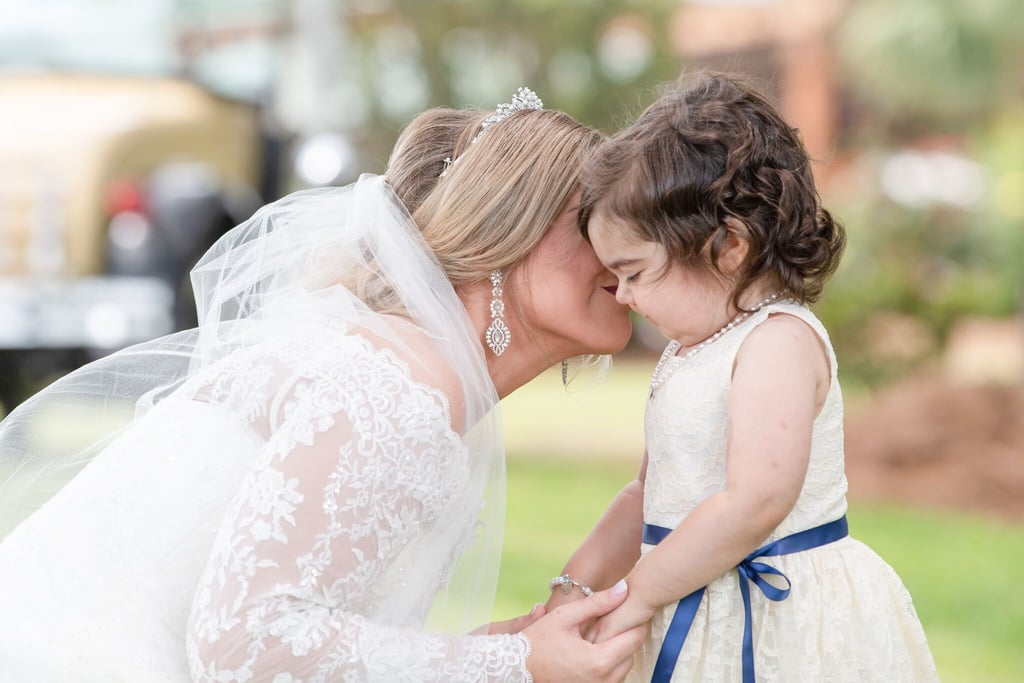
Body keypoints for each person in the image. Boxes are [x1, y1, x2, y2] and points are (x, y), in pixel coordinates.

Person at [0, 88, 646, 682]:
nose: (625, 244)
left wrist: (489, 650)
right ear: (507, 231)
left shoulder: (405, 368)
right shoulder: (399, 388)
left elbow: (299, 625)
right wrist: (513, 663)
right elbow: (241, 643)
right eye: (592, 219)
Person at [545, 71, 940, 681]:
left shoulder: (776, 341)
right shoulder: (690, 351)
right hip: (691, 595)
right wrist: (576, 586)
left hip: (773, 615)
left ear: (728, 246)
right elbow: (643, 494)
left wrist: (642, 596)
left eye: (635, 272)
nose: (620, 294)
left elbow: (754, 502)